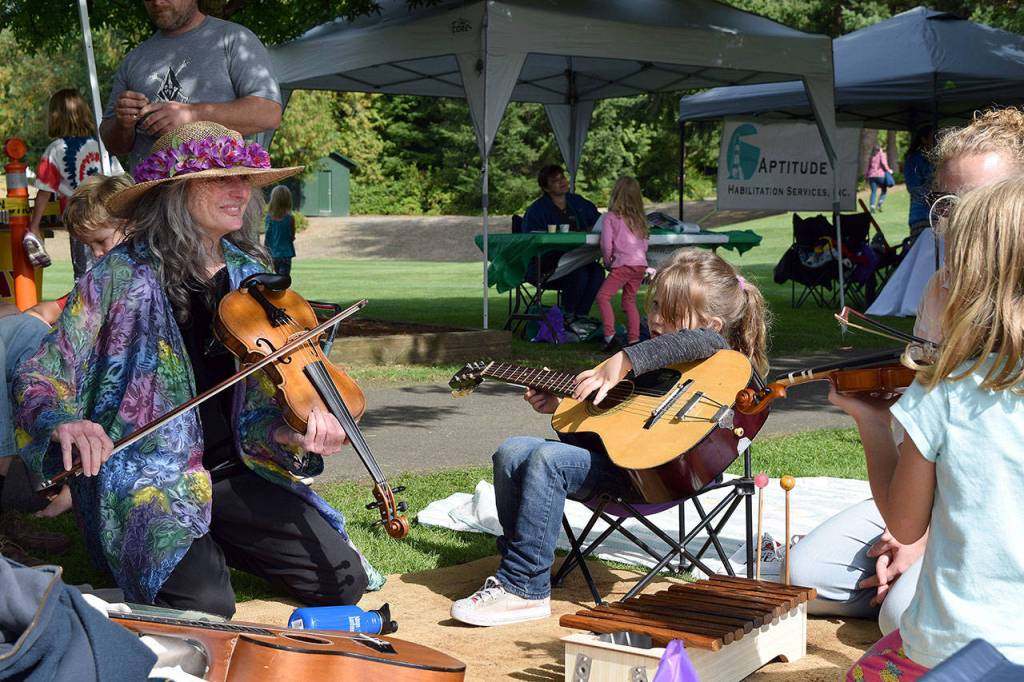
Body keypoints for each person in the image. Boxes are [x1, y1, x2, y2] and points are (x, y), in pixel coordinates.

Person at [14, 121, 380, 618]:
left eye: (244, 180)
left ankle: (210, 536)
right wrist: (64, 421)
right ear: (175, 192)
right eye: (219, 178)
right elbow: (41, 372)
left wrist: (295, 433)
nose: (240, 190)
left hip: (237, 467)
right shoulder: (119, 275)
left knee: (342, 582)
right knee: (205, 605)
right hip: (150, 473)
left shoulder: (253, 275)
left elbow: (271, 394)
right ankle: (181, 551)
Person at [790, 107, 1024, 635]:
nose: (958, 225)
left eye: (979, 206)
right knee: (802, 574)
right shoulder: (939, 291)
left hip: (992, 519)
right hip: (929, 489)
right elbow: (924, 438)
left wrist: (919, 534)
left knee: (902, 615)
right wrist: (915, 530)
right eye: (946, 206)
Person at [450, 248, 769, 626]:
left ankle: (525, 591)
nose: (656, 319)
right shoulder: (654, 367)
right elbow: (617, 421)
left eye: (670, 312)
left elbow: (692, 342)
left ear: (713, 325)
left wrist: (625, 358)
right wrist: (561, 405)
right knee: (512, 451)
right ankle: (520, 564)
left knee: (546, 460)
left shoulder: (714, 352)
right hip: (620, 462)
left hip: (659, 475)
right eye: (654, 307)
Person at [838, 175, 1024, 679]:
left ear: (971, 282)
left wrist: (873, 421)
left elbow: (903, 525)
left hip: (956, 646)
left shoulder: (946, 388)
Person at [0, 174, 134, 564]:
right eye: (88, 246)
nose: (94, 256)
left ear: (132, 225)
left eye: (100, 242)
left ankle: (15, 490)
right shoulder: (98, 284)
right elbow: (48, 313)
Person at [100, 0, 282, 171]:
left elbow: (269, 113)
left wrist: (190, 115)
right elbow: (113, 144)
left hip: (221, 196)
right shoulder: (134, 59)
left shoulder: (235, 39)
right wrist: (123, 124)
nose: (156, 2)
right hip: (152, 200)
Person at [25, 89, 125, 276]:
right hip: (109, 220)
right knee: (115, 272)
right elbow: (119, 179)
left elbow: (44, 192)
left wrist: (34, 226)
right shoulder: (102, 145)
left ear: (55, 117)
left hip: (80, 224)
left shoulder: (56, 149)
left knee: (84, 277)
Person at [521, 165, 605, 319]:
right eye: (555, 180)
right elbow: (529, 240)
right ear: (546, 188)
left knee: (598, 271)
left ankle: (581, 316)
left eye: (563, 177)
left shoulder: (577, 202)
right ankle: (567, 316)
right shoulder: (536, 210)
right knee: (580, 273)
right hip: (547, 265)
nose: (562, 182)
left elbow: (600, 222)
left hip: (580, 257)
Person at [595, 176, 651, 351]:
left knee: (603, 297)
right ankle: (634, 340)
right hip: (640, 265)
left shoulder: (611, 217)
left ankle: (610, 336)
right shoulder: (640, 219)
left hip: (623, 264)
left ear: (615, 194)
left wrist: (607, 259)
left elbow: (606, 243)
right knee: (629, 301)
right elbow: (645, 244)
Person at [904, 126, 935, 240]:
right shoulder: (914, 159)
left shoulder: (936, 158)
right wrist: (934, 188)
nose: (937, 141)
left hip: (938, 216)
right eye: (933, 138)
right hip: (921, 217)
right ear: (924, 139)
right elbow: (913, 188)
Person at [264, 185, 296, 277]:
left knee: (273, 281)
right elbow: (292, 237)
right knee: (283, 281)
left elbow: (267, 237)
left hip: (272, 255)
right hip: (286, 254)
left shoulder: (269, 218)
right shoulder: (290, 218)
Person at [865, 144, 892, 212]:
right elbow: (883, 163)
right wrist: (889, 170)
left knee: (873, 192)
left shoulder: (871, 156)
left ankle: (872, 206)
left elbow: (868, 167)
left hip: (871, 176)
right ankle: (880, 203)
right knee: (884, 190)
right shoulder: (881, 154)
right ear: (880, 149)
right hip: (880, 175)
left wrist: (866, 176)